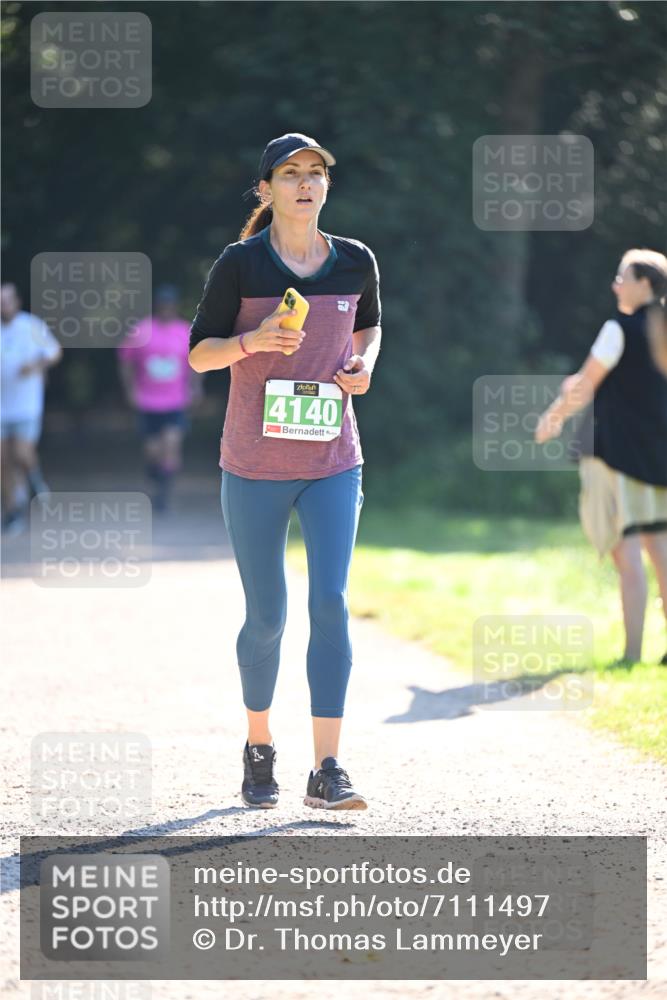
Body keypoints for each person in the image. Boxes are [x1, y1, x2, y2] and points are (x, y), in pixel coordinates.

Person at [189, 132, 382, 810]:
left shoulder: (354, 261)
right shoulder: (241, 264)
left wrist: (363, 365)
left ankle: (327, 768)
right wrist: (252, 340)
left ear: (327, 185)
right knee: (266, 614)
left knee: (329, 603)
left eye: (316, 172)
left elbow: (367, 328)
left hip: (332, 459)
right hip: (254, 463)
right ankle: (259, 745)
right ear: (265, 189)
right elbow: (198, 357)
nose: (305, 183)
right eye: (290, 173)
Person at [535, 248, 667, 667]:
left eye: (621, 276)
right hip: (658, 457)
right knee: (660, 548)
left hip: (614, 454)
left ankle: (630, 655)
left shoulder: (619, 327)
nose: (615, 284)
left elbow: (586, 384)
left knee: (624, 550)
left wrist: (552, 417)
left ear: (644, 283)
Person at [118, 284, 203, 512]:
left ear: (175, 306)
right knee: (153, 452)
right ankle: (156, 477)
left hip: (176, 401)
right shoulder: (141, 331)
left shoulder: (185, 331)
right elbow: (126, 361)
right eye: (163, 304)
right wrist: (130, 390)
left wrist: (196, 388)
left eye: (170, 305)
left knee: (172, 445)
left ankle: (164, 496)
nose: (166, 308)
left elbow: (196, 363)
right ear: (157, 306)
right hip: (148, 402)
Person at [1, 282, 62, 536]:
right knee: (3, 463)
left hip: (26, 406)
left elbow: (54, 352)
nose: (3, 306)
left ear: (17, 302)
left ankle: (34, 479)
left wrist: (35, 366)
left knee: (22, 453)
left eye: (6, 300)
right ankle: (13, 512)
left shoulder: (31, 326)